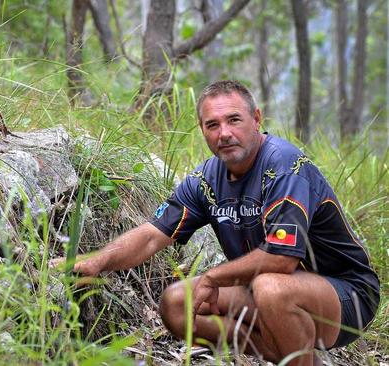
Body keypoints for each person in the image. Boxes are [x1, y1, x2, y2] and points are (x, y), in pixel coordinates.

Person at [51, 80, 380, 366]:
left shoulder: (284, 165)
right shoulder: (206, 179)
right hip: (271, 293)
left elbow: (282, 258)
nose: (224, 133)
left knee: (270, 286)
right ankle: (297, 359)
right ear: (203, 130)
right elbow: (153, 235)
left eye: (234, 120)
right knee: (177, 303)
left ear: (256, 119)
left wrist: (213, 276)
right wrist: (96, 262)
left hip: (346, 295)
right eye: (212, 124)